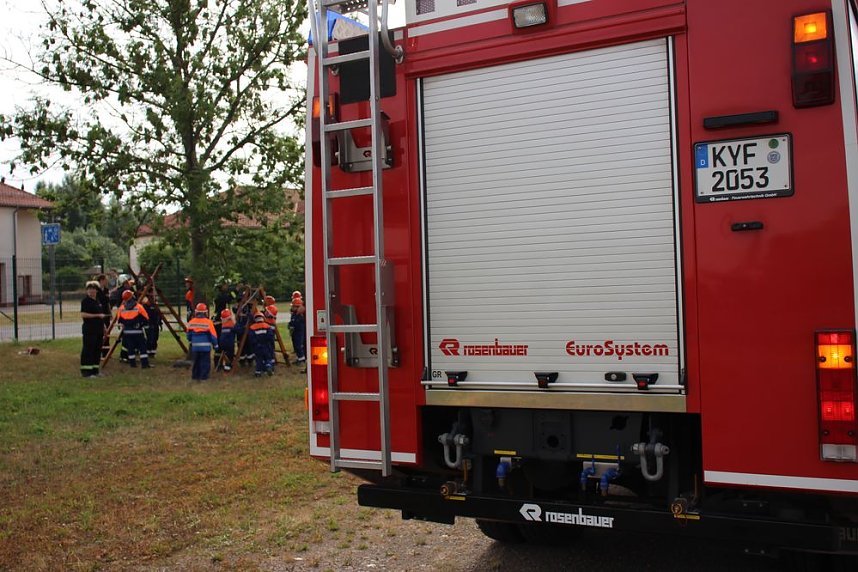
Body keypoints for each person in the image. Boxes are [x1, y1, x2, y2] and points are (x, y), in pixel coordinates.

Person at [80, 281, 107, 377]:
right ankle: (86, 371)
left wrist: (104, 326)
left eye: (93, 289)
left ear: (96, 290)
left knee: (97, 350)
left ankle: (95, 370)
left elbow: (101, 315)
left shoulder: (97, 301)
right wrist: (97, 315)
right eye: (89, 289)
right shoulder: (86, 301)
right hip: (90, 330)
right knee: (89, 350)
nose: (91, 291)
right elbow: (83, 314)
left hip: (98, 329)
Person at [118, 290, 151, 368]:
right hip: (138, 331)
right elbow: (146, 318)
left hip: (127, 332)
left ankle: (132, 364)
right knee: (142, 347)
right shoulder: (138, 306)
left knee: (130, 348)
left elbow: (119, 319)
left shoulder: (122, 308)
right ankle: (145, 364)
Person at [187, 302, 218, 381]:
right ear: (205, 312)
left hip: (195, 347)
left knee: (196, 362)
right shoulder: (208, 322)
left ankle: (195, 376)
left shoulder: (191, 322)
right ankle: (203, 377)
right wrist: (216, 345)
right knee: (205, 362)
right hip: (205, 347)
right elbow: (213, 336)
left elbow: (189, 336)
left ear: (196, 312)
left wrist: (192, 340)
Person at [249, 311, 274, 377]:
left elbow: (251, 338)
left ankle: (258, 372)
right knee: (268, 358)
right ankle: (268, 366)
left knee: (259, 359)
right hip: (266, 345)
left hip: (258, 347)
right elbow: (271, 336)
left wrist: (255, 345)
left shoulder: (252, 327)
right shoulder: (267, 326)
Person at [95, 274, 111, 358]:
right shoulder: (96, 290)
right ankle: (99, 350)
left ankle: (106, 352)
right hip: (99, 313)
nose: (107, 281)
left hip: (106, 313)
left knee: (107, 331)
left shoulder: (106, 290)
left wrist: (110, 311)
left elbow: (108, 302)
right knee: (100, 332)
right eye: (105, 280)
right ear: (101, 280)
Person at [141, 295, 160, 360]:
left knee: (155, 338)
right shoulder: (145, 307)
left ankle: (153, 352)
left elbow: (158, 315)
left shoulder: (154, 306)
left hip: (155, 324)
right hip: (148, 324)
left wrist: (159, 322)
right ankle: (148, 351)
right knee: (149, 338)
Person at [290, 296, 306, 364]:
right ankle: (299, 357)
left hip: (299, 332)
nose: (292, 308)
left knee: (298, 345)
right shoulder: (294, 314)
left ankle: (301, 358)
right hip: (295, 332)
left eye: (294, 306)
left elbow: (298, 323)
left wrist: (293, 325)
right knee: (295, 344)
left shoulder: (300, 315)